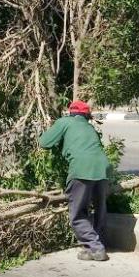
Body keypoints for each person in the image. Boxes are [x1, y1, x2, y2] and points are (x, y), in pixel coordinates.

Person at [39, 100, 112, 262]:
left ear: (71, 112)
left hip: (81, 169)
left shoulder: (64, 122)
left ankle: (96, 247)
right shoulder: (89, 127)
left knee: (77, 213)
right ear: (87, 116)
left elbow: (44, 143)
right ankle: (95, 246)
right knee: (100, 209)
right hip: (102, 168)